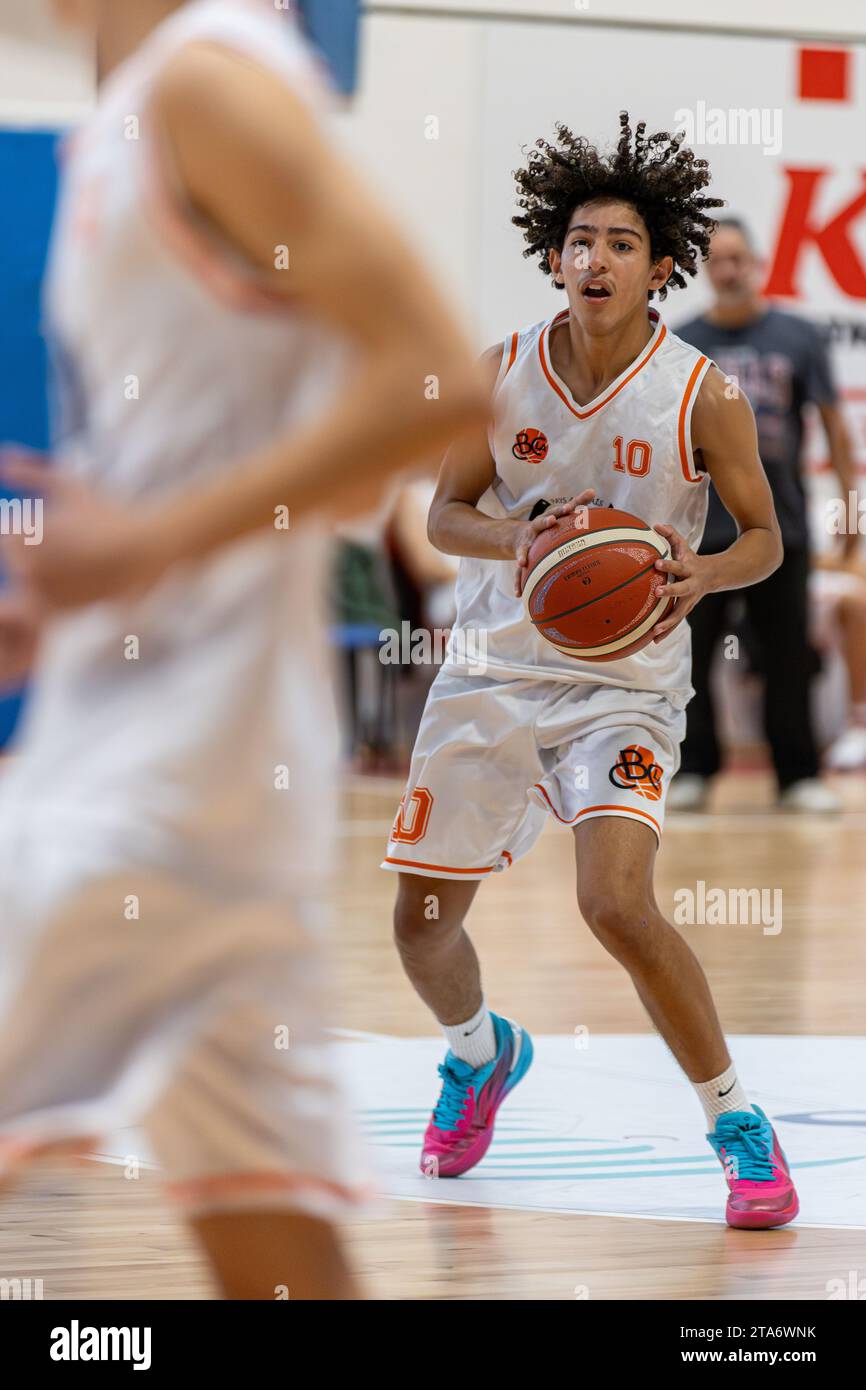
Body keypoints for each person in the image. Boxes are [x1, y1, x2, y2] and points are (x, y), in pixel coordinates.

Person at [0, 0, 486, 1299]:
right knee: (275, 1247)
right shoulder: (140, 106)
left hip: (148, 790)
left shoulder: (212, 82)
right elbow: (302, 475)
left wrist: (145, 548)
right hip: (210, 783)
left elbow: (439, 380)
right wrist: (74, 599)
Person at [382, 115, 800, 1229]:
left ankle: (735, 1125)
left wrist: (698, 573)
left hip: (623, 681)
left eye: (621, 243)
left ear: (660, 265)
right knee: (419, 926)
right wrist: (514, 540)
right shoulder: (501, 372)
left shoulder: (700, 394)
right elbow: (442, 513)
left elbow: (760, 537)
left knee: (613, 903)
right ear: (552, 256)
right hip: (490, 671)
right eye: (579, 240)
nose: (596, 259)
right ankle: (480, 1056)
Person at [672, 217, 858, 812]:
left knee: (787, 655)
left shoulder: (798, 337)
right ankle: (694, 769)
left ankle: (797, 774)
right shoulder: (681, 341)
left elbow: (834, 430)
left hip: (781, 527)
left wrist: (852, 508)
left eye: (737, 259)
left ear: (755, 263)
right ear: (705, 268)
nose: (728, 269)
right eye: (717, 260)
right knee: (691, 655)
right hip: (702, 531)